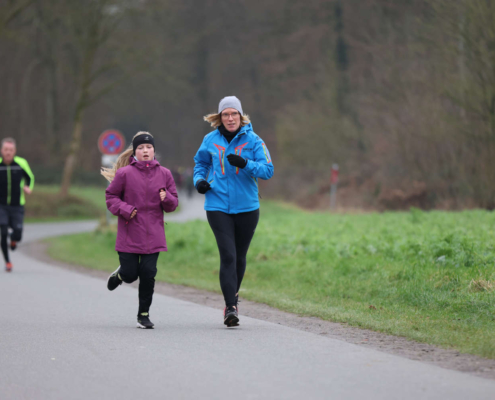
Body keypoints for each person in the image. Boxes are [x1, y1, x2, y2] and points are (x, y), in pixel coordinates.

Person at [193, 96, 274, 327]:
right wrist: (199, 181)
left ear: (241, 116)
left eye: (234, 114)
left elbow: (268, 170)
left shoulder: (254, 140)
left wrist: (245, 164)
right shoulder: (209, 139)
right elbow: (201, 164)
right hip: (217, 205)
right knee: (227, 255)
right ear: (220, 117)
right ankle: (230, 307)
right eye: (226, 114)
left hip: (248, 207)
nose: (230, 118)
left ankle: (233, 299)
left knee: (239, 256)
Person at [101, 132, 178, 329]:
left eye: (149, 147)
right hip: (129, 233)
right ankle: (120, 275)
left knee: (148, 273)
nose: (145, 151)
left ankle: (143, 314)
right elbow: (111, 197)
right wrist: (126, 210)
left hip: (154, 234)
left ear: (154, 150)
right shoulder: (124, 174)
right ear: (135, 152)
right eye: (141, 148)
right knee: (130, 274)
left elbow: (173, 204)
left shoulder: (165, 174)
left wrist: (166, 198)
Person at [0, 138, 34, 272]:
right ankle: (8, 262)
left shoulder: (21, 163)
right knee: (2, 231)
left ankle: (14, 240)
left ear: (14, 151)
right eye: (6, 150)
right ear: (2, 151)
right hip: (1, 206)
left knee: (18, 233)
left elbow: (30, 177)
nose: (8, 152)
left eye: (11, 150)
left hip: (17, 206)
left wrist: (28, 187)